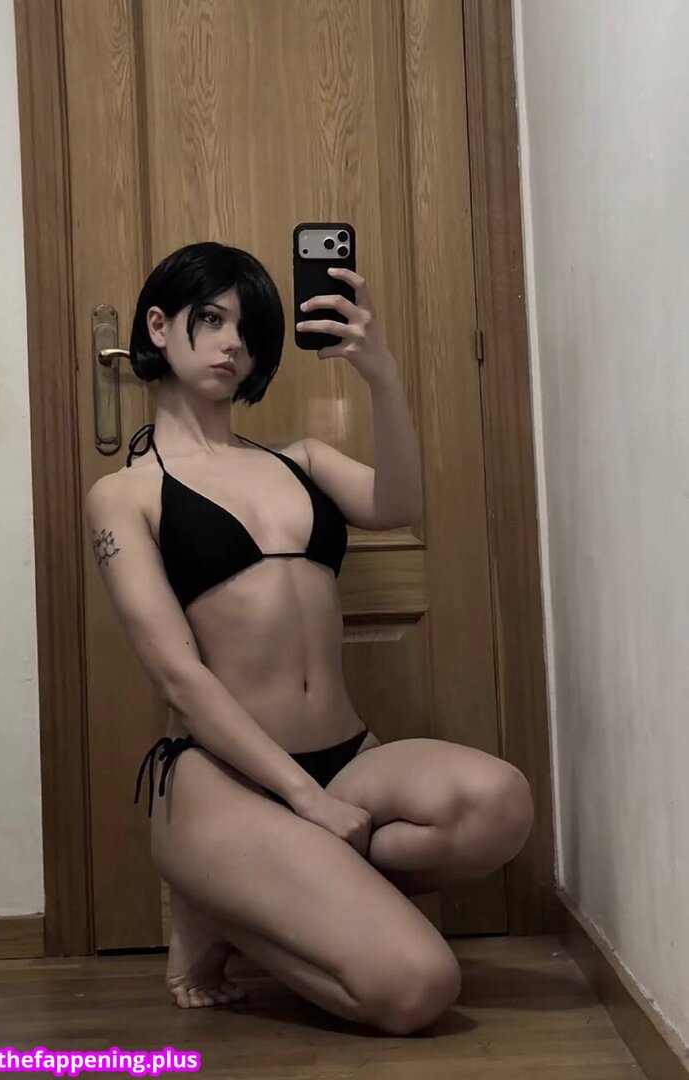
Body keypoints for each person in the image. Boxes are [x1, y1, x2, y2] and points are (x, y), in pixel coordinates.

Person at [85, 241, 534, 1035]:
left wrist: (381, 374)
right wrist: (305, 803)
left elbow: (398, 504)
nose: (232, 343)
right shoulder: (125, 495)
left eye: (249, 328)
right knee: (417, 987)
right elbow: (179, 678)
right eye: (210, 319)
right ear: (158, 327)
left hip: (347, 759)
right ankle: (217, 905)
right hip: (223, 782)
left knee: (500, 804)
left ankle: (263, 892)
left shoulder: (301, 460)